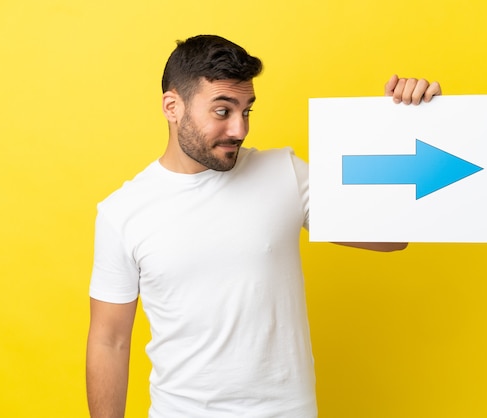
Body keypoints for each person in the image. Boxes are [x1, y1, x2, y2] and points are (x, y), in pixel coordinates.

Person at [86, 34, 441, 418]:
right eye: (223, 111)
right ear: (173, 106)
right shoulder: (122, 212)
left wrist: (408, 123)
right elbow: (110, 341)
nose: (240, 129)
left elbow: (391, 239)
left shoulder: (284, 172)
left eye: (247, 110)